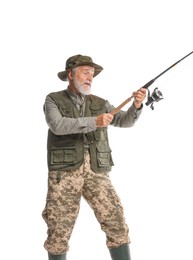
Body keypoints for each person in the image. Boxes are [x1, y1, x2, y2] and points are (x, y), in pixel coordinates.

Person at [42, 54, 147, 260]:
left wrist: (136, 106)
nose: (90, 77)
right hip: (64, 172)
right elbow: (57, 125)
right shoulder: (53, 99)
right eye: (85, 72)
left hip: (97, 170)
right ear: (71, 74)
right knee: (58, 228)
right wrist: (94, 121)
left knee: (115, 220)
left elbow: (124, 121)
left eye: (92, 73)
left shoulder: (100, 103)